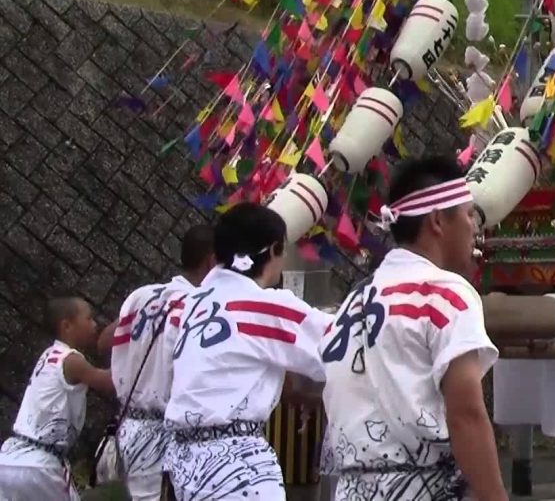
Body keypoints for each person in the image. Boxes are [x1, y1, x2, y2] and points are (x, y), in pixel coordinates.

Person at [319, 156, 509, 501]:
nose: (474, 227)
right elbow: (465, 414)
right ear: (438, 220)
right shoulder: (443, 292)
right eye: (468, 215)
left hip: (351, 490)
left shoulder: (352, 303)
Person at [163, 203, 331, 500]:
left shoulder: (191, 305)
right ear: (275, 250)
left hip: (182, 461)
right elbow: (340, 348)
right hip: (234, 464)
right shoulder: (261, 305)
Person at [96, 225, 216, 501]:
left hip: (126, 426)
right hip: (161, 434)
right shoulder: (197, 305)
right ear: (211, 260)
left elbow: (103, 340)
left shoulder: (142, 295)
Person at [0, 297, 116, 501]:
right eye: (88, 319)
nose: (95, 324)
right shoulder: (72, 360)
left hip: (10, 457)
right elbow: (110, 382)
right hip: (40, 464)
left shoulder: (49, 354)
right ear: (67, 326)